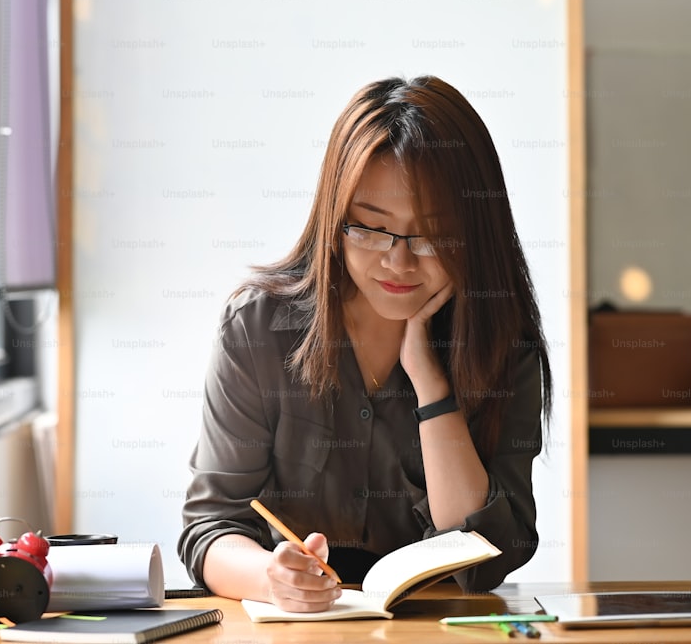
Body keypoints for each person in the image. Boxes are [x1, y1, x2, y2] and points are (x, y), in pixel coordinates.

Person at [177, 75, 552, 613]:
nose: (398, 262)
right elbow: (211, 528)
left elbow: (489, 560)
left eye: (431, 235)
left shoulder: (503, 347)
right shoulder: (258, 328)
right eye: (371, 229)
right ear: (335, 220)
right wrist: (273, 577)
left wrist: (431, 386)